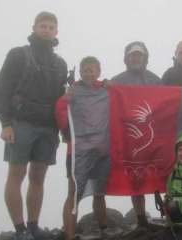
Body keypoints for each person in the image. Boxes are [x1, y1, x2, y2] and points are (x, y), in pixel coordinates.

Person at [0, 11, 67, 240]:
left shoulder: (60, 63)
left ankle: (33, 227)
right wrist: (6, 123)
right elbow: (1, 90)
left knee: (38, 177)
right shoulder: (18, 55)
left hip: (48, 127)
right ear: (34, 28)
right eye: (42, 26)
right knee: (16, 174)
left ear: (56, 31)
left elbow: (60, 98)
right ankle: (20, 230)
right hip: (21, 123)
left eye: (50, 27)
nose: (46, 30)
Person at [55, 57, 110, 240]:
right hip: (77, 151)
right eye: (85, 70)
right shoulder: (73, 92)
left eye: (92, 70)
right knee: (74, 192)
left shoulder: (106, 90)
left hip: (101, 150)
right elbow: (61, 114)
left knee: (99, 192)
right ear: (80, 72)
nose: (89, 73)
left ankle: (104, 230)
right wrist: (65, 101)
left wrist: (110, 85)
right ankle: (69, 234)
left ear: (99, 71)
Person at [110, 41, 161, 230]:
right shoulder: (116, 81)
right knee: (135, 175)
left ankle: (167, 214)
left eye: (139, 55)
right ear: (126, 58)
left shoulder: (155, 79)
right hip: (128, 136)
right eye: (132, 55)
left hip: (154, 134)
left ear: (145, 58)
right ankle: (141, 219)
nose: (136, 58)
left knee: (160, 173)